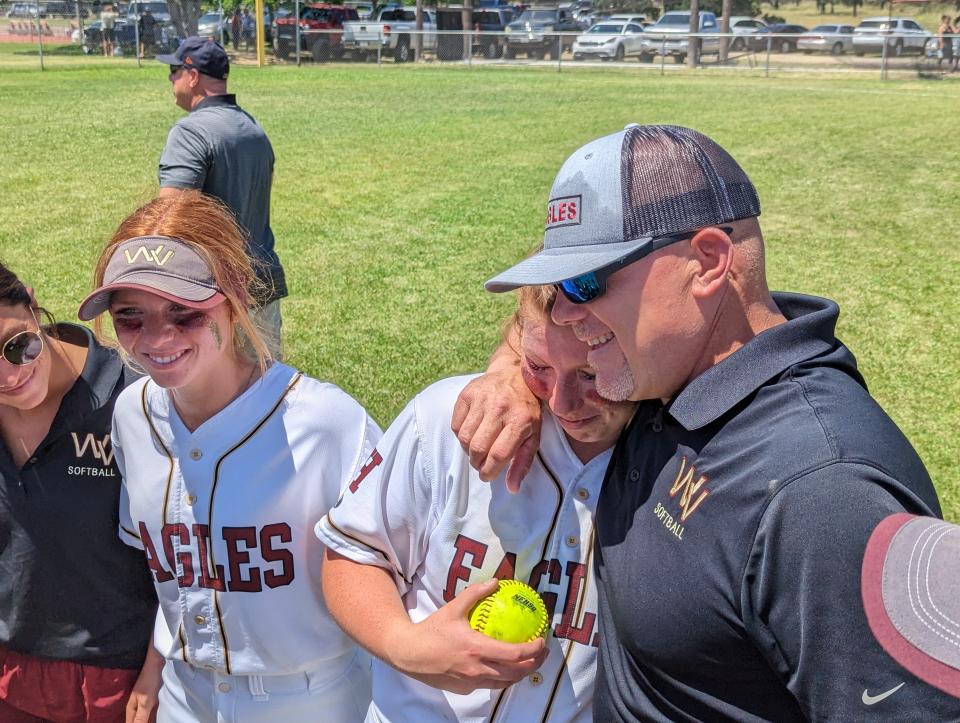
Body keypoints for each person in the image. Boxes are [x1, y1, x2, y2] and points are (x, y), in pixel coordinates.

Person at [458, 124, 960, 720]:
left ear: (706, 263)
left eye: (586, 281)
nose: (565, 311)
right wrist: (511, 373)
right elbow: (541, 336)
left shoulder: (823, 494)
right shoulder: (670, 371)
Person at [79, 190, 378, 722]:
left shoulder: (326, 424)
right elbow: (170, 577)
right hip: (183, 694)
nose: (157, 337)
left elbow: (397, 574)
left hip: (308, 697)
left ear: (235, 295)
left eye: (184, 312)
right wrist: (153, 673)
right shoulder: (131, 414)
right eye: (130, 317)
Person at [318, 281, 636, 721]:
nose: (563, 402)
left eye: (589, 375)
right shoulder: (450, 418)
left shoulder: (683, 466)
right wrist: (405, 646)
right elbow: (353, 552)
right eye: (538, 365)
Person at [0, 263, 156, 721]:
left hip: (122, 682)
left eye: (16, 346)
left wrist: (155, 673)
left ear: (31, 303)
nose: (9, 377)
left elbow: (184, 554)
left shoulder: (136, 396)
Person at [154, 36, 287, 356]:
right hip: (263, 283)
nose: (171, 79)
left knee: (216, 398)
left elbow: (170, 216)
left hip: (215, 293)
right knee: (266, 389)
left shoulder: (190, 132)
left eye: (174, 70)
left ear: (193, 75)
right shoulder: (253, 129)